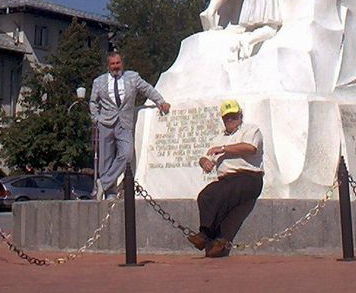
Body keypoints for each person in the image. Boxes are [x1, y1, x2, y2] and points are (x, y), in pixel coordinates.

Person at [187, 100, 263, 257]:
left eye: (233, 117)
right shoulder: (219, 137)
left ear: (240, 115)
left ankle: (208, 236)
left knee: (224, 194)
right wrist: (204, 162)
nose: (230, 120)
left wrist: (224, 149)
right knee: (206, 196)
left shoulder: (251, 130)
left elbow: (250, 148)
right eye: (227, 118)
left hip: (248, 176)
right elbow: (205, 156)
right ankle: (214, 239)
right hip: (226, 180)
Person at [89, 52, 170, 199]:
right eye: (112, 64)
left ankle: (103, 182)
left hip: (125, 123)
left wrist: (160, 101)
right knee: (105, 160)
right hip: (106, 123)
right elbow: (93, 102)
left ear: (122, 63)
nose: (115, 67)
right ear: (108, 66)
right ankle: (110, 192)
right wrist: (96, 119)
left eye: (118, 63)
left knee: (126, 154)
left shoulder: (132, 77)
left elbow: (147, 89)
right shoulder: (99, 82)